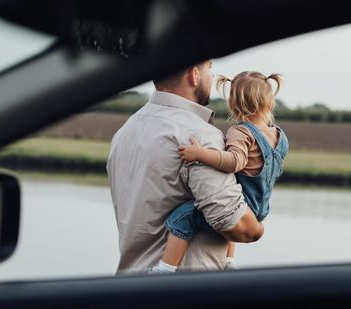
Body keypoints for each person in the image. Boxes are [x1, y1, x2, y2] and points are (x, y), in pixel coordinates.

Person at [107, 60, 264, 275]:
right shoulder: (198, 136)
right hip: (184, 293)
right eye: (209, 67)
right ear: (194, 75)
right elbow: (239, 227)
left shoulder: (125, 132)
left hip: (131, 286)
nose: (212, 74)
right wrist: (258, 226)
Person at [148, 71, 289, 274]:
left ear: (235, 102)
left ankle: (165, 268)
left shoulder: (241, 132)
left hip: (243, 205)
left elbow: (234, 162)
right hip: (261, 208)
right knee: (235, 195)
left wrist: (200, 154)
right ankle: (229, 261)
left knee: (184, 216)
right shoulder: (279, 136)